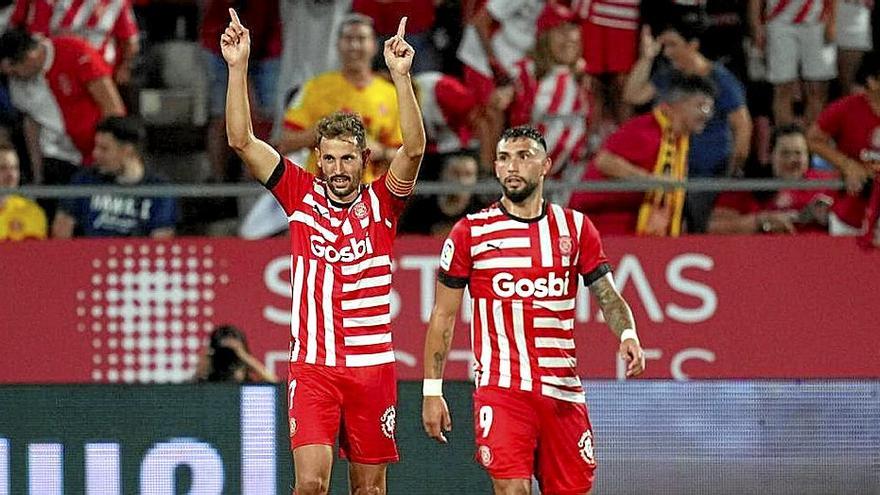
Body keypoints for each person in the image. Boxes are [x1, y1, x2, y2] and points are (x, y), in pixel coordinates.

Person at [222, 9, 425, 495]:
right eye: (327, 157)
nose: (336, 167)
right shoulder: (299, 192)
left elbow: (414, 149)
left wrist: (401, 78)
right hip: (313, 367)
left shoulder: (385, 202)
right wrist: (237, 68)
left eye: (347, 157)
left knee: (370, 490)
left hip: (373, 368)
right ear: (317, 159)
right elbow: (241, 140)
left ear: (365, 160)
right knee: (310, 485)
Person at [421, 125, 645, 495]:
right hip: (502, 390)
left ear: (545, 166)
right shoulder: (470, 233)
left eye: (524, 156)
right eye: (505, 158)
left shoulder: (575, 228)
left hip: (562, 394)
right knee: (512, 490)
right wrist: (432, 389)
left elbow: (606, 294)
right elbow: (443, 316)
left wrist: (628, 334)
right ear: (495, 168)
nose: (513, 166)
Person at [624, 13, 751, 232]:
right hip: (669, 170)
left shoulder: (721, 79)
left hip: (708, 175)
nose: (667, 52)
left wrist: (730, 175)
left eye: (673, 45)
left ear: (692, 46)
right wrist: (647, 57)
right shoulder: (668, 76)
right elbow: (633, 95)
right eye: (664, 46)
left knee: (697, 228)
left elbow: (742, 126)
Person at [570, 74, 716, 236]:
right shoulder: (645, 130)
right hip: (599, 223)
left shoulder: (678, 140)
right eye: (701, 107)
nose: (707, 115)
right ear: (678, 104)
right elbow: (604, 162)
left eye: (710, 109)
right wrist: (650, 180)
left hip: (630, 224)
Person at [277, 13, 402, 183]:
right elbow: (284, 142)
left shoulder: (391, 94)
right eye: (348, 39)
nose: (354, 46)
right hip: (319, 194)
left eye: (361, 38)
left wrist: (380, 152)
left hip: (369, 196)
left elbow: (407, 156)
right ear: (338, 44)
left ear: (374, 45)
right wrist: (325, 132)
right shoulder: (315, 87)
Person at [0, 28, 126, 187]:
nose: (13, 77)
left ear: (30, 57)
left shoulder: (74, 51)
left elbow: (113, 107)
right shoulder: (16, 81)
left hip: (93, 154)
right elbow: (31, 124)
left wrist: (107, 154)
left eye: (15, 71)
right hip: (56, 157)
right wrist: (37, 174)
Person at [51, 116, 177, 238]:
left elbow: (161, 242)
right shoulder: (84, 180)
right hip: (89, 255)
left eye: (104, 149)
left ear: (128, 151)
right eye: (96, 147)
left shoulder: (159, 189)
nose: (95, 153)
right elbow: (61, 233)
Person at [807, 51, 880, 247]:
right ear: (872, 81)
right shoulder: (846, 108)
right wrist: (846, 164)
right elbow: (813, 139)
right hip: (850, 210)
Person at [708, 124, 836, 234]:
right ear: (770, 155)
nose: (792, 160)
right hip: (759, 256)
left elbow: (851, 220)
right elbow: (712, 227)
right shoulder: (749, 185)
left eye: (798, 153)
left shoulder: (827, 182)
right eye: (785, 153)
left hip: (818, 255)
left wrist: (831, 218)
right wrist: (761, 221)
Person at [9, 0, 140, 85]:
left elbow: (129, 40)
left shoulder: (116, 2)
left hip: (100, 74)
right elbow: (37, 39)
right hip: (56, 76)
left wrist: (125, 67)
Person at [749, 0, 837, 125]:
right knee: (782, 86)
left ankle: (812, 138)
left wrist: (832, 21)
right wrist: (756, 25)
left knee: (817, 89)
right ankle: (786, 138)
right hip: (779, 22)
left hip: (817, 22)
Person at [195, 324, 278, 383]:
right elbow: (190, 391)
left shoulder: (249, 390)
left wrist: (243, 355)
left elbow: (275, 385)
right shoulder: (208, 386)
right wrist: (206, 358)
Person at [0, 142, 47, 241]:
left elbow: (35, 254)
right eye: (3, 168)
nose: (11, 175)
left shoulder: (32, 211)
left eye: (14, 168)